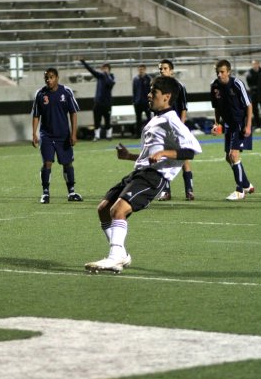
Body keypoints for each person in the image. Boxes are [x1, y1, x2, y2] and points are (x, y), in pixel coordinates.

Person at [84, 75, 202, 273]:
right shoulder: (155, 120)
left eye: (153, 92)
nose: (148, 95)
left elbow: (191, 150)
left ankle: (115, 257)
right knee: (103, 208)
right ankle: (120, 253)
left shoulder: (172, 121)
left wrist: (165, 152)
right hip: (140, 172)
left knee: (117, 210)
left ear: (166, 97)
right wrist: (129, 156)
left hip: (155, 177)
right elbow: (150, 156)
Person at [31, 68, 83, 203]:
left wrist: (73, 133)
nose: (49, 80)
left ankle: (71, 192)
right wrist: (34, 134)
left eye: (51, 77)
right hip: (46, 136)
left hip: (63, 136)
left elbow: (73, 112)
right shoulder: (40, 94)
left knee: (67, 163)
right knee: (47, 163)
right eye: (46, 78)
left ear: (57, 78)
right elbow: (36, 115)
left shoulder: (66, 92)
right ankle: (45, 193)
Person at [210, 59, 255, 200]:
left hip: (240, 124)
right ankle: (247, 184)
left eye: (222, 72)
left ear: (228, 72)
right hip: (229, 125)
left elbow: (249, 105)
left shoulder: (237, 84)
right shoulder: (214, 86)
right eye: (217, 72)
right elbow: (216, 107)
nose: (219, 74)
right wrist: (216, 123)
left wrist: (248, 126)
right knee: (228, 158)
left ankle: (239, 190)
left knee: (234, 155)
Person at [157, 59, 195, 201]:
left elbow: (184, 108)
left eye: (165, 68)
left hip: (178, 128)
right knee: (164, 158)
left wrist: (182, 127)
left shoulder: (179, 86)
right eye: (161, 68)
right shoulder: (158, 87)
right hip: (164, 128)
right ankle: (166, 191)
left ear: (171, 71)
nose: (162, 71)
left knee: (183, 158)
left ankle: (189, 190)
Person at [79, 58, 115, 140]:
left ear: (109, 69)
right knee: (97, 120)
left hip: (107, 103)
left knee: (107, 120)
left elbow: (110, 84)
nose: (104, 70)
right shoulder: (99, 76)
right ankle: (97, 136)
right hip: (98, 102)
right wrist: (84, 62)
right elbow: (91, 70)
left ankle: (109, 136)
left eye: (106, 68)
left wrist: (106, 75)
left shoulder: (111, 77)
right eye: (103, 68)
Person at [246, 60, 261, 131]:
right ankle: (258, 126)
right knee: (255, 111)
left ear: (258, 64)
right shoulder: (249, 73)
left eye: (255, 64)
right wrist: (253, 89)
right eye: (253, 64)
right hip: (254, 95)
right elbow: (248, 82)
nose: (254, 65)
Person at [132, 64, 151, 138]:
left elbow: (151, 91)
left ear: (145, 70)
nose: (141, 71)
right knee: (138, 119)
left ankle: (150, 133)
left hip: (146, 102)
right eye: (140, 69)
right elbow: (134, 91)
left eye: (142, 69)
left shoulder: (148, 79)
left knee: (149, 118)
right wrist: (134, 100)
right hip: (138, 102)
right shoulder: (136, 79)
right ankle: (137, 134)